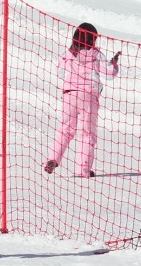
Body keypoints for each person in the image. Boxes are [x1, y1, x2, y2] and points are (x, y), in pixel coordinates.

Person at [45, 22, 120, 178]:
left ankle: (52, 158)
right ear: (93, 40)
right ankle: (82, 169)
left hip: (69, 94)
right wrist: (114, 62)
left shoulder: (69, 53)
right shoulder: (96, 54)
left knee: (65, 129)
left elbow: (59, 72)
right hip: (89, 96)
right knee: (87, 134)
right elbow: (110, 74)